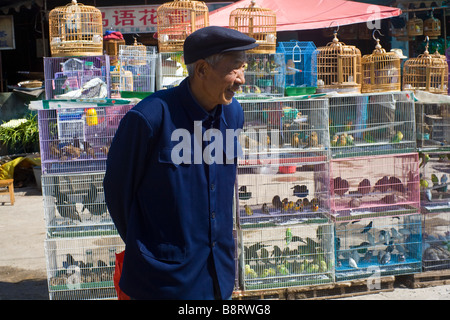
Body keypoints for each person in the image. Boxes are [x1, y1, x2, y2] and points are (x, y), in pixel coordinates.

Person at [103, 26, 258, 300]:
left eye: (243, 68)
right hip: (162, 281)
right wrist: (150, 248)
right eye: (234, 69)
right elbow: (118, 192)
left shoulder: (233, 114)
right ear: (201, 70)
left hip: (217, 274)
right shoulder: (149, 117)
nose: (241, 80)